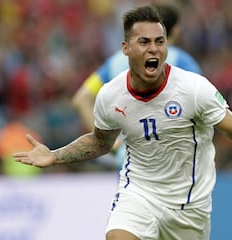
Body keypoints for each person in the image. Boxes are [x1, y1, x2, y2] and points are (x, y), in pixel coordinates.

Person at [13, 6, 232, 240]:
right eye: (144, 41)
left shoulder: (193, 88)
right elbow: (100, 142)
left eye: (159, 41)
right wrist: (55, 155)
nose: (154, 49)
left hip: (189, 207)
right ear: (126, 49)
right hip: (139, 193)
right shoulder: (111, 96)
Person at [71, 3, 201, 169]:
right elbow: (200, 106)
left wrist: (109, 143)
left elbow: (81, 99)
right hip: (171, 163)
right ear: (175, 30)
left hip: (129, 161)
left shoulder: (116, 61)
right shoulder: (182, 62)